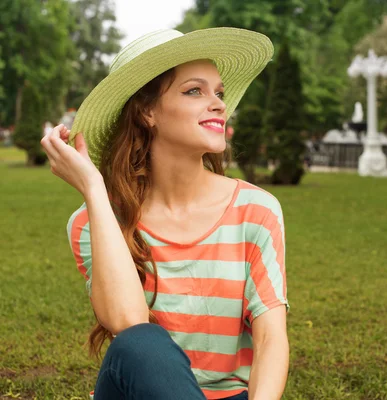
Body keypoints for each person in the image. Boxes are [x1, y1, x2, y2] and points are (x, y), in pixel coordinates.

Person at [40, 28, 288, 400]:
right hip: (138, 391)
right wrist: (94, 188)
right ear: (148, 111)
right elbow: (128, 324)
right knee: (141, 343)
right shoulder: (93, 221)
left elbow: (271, 337)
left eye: (218, 93)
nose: (219, 104)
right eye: (194, 91)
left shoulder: (257, 211)